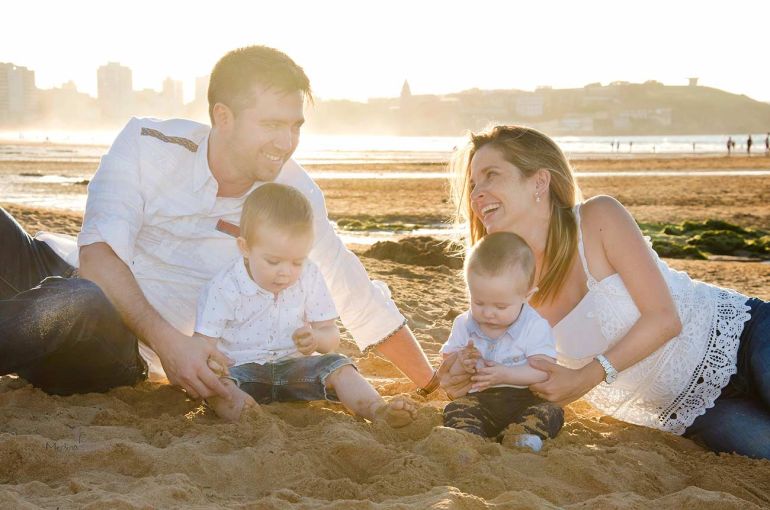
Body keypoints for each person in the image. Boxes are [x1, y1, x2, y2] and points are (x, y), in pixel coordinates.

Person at [0, 45, 438, 401]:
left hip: (115, 339)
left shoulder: (291, 194)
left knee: (77, 302)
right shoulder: (147, 143)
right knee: (62, 282)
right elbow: (97, 258)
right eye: (271, 124)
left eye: (295, 126)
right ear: (222, 117)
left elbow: (356, 295)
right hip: (51, 269)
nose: (286, 143)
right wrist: (174, 344)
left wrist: (432, 384)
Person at [442, 124, 769, 459]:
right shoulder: (507, 287)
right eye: (473, 184)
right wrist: (464, 377)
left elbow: (664, 319)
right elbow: (509, 371)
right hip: (695, 413)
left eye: (490, 175)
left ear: (539, 181)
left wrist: (586, 377)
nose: (477, 193)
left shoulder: (597, 219)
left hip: (747, 338)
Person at [195, 183, 415, 425]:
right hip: (242, 372)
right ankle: (252, 420)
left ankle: (378, 411)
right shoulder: (224, 286)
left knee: (340, 365)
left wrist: (316, 339)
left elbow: (331, 336)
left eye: (297, 262)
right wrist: (214, 364)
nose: (285, 273)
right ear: (245, 248)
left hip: (296, 369)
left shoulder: (310, 275)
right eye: (273, 261)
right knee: (218, 387)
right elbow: (203, 345)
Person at [441, 232, 564, 452]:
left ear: (527, 296)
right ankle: (469, 440)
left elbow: (543, 372)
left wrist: (506, 374)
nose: (488, 313)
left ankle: (522, 438)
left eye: (500, 307)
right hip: (479, 399)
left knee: (550, 412)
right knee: (456, 409)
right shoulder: (464, 324)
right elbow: (448, 366)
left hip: (523, 398)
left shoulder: (534, 326)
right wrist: (462, 362)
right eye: (478, 302)